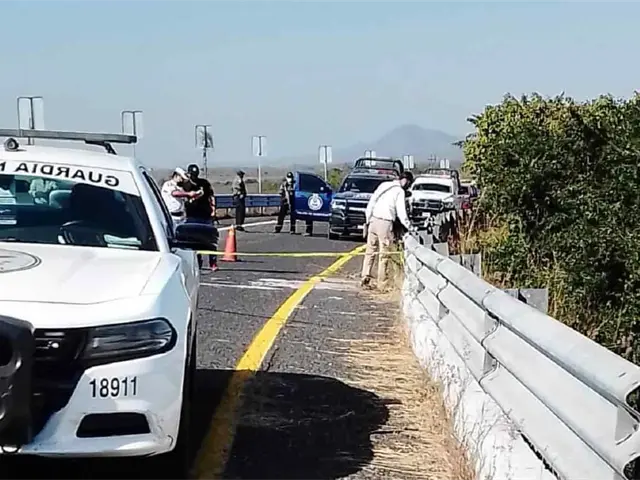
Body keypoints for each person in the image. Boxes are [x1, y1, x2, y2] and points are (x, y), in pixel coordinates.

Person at [361, 171, 416, 290]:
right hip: (385, 223)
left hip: (373, 220)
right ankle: (382, 284)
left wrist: (368, 220)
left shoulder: (384, 185)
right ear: (406, 181)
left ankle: (365, 276)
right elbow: (401, 213)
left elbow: (372, 201)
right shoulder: (399, 191)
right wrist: (410, 227)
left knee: (370, 251)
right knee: (384, 254)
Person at [184, 164, 218, 272]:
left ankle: (213, 262)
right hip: (191, 215)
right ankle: (198, 262)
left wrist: (213, 209)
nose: (194, 177)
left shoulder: (204, 183)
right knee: (194, 241)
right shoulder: (185, 185)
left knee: (210, 239)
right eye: (192, 175)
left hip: (205, 214)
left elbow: (211, 196)